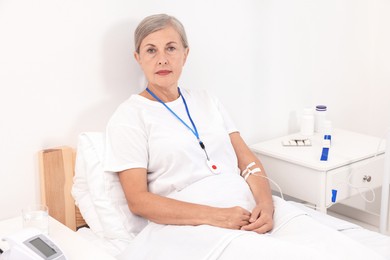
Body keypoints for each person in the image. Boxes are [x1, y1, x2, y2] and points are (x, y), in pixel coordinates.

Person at [104, 14, 386, 260]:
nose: (162, 58)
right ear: (138, 58)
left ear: (185, 54)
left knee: (345, 250)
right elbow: (139, 201)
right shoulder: (130, 116)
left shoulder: (206, 101)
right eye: (151, 50)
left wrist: (266, 204)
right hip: (193, 224)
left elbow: (247, 161)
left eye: (171, 48)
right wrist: (216, 216)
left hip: (247, 206)